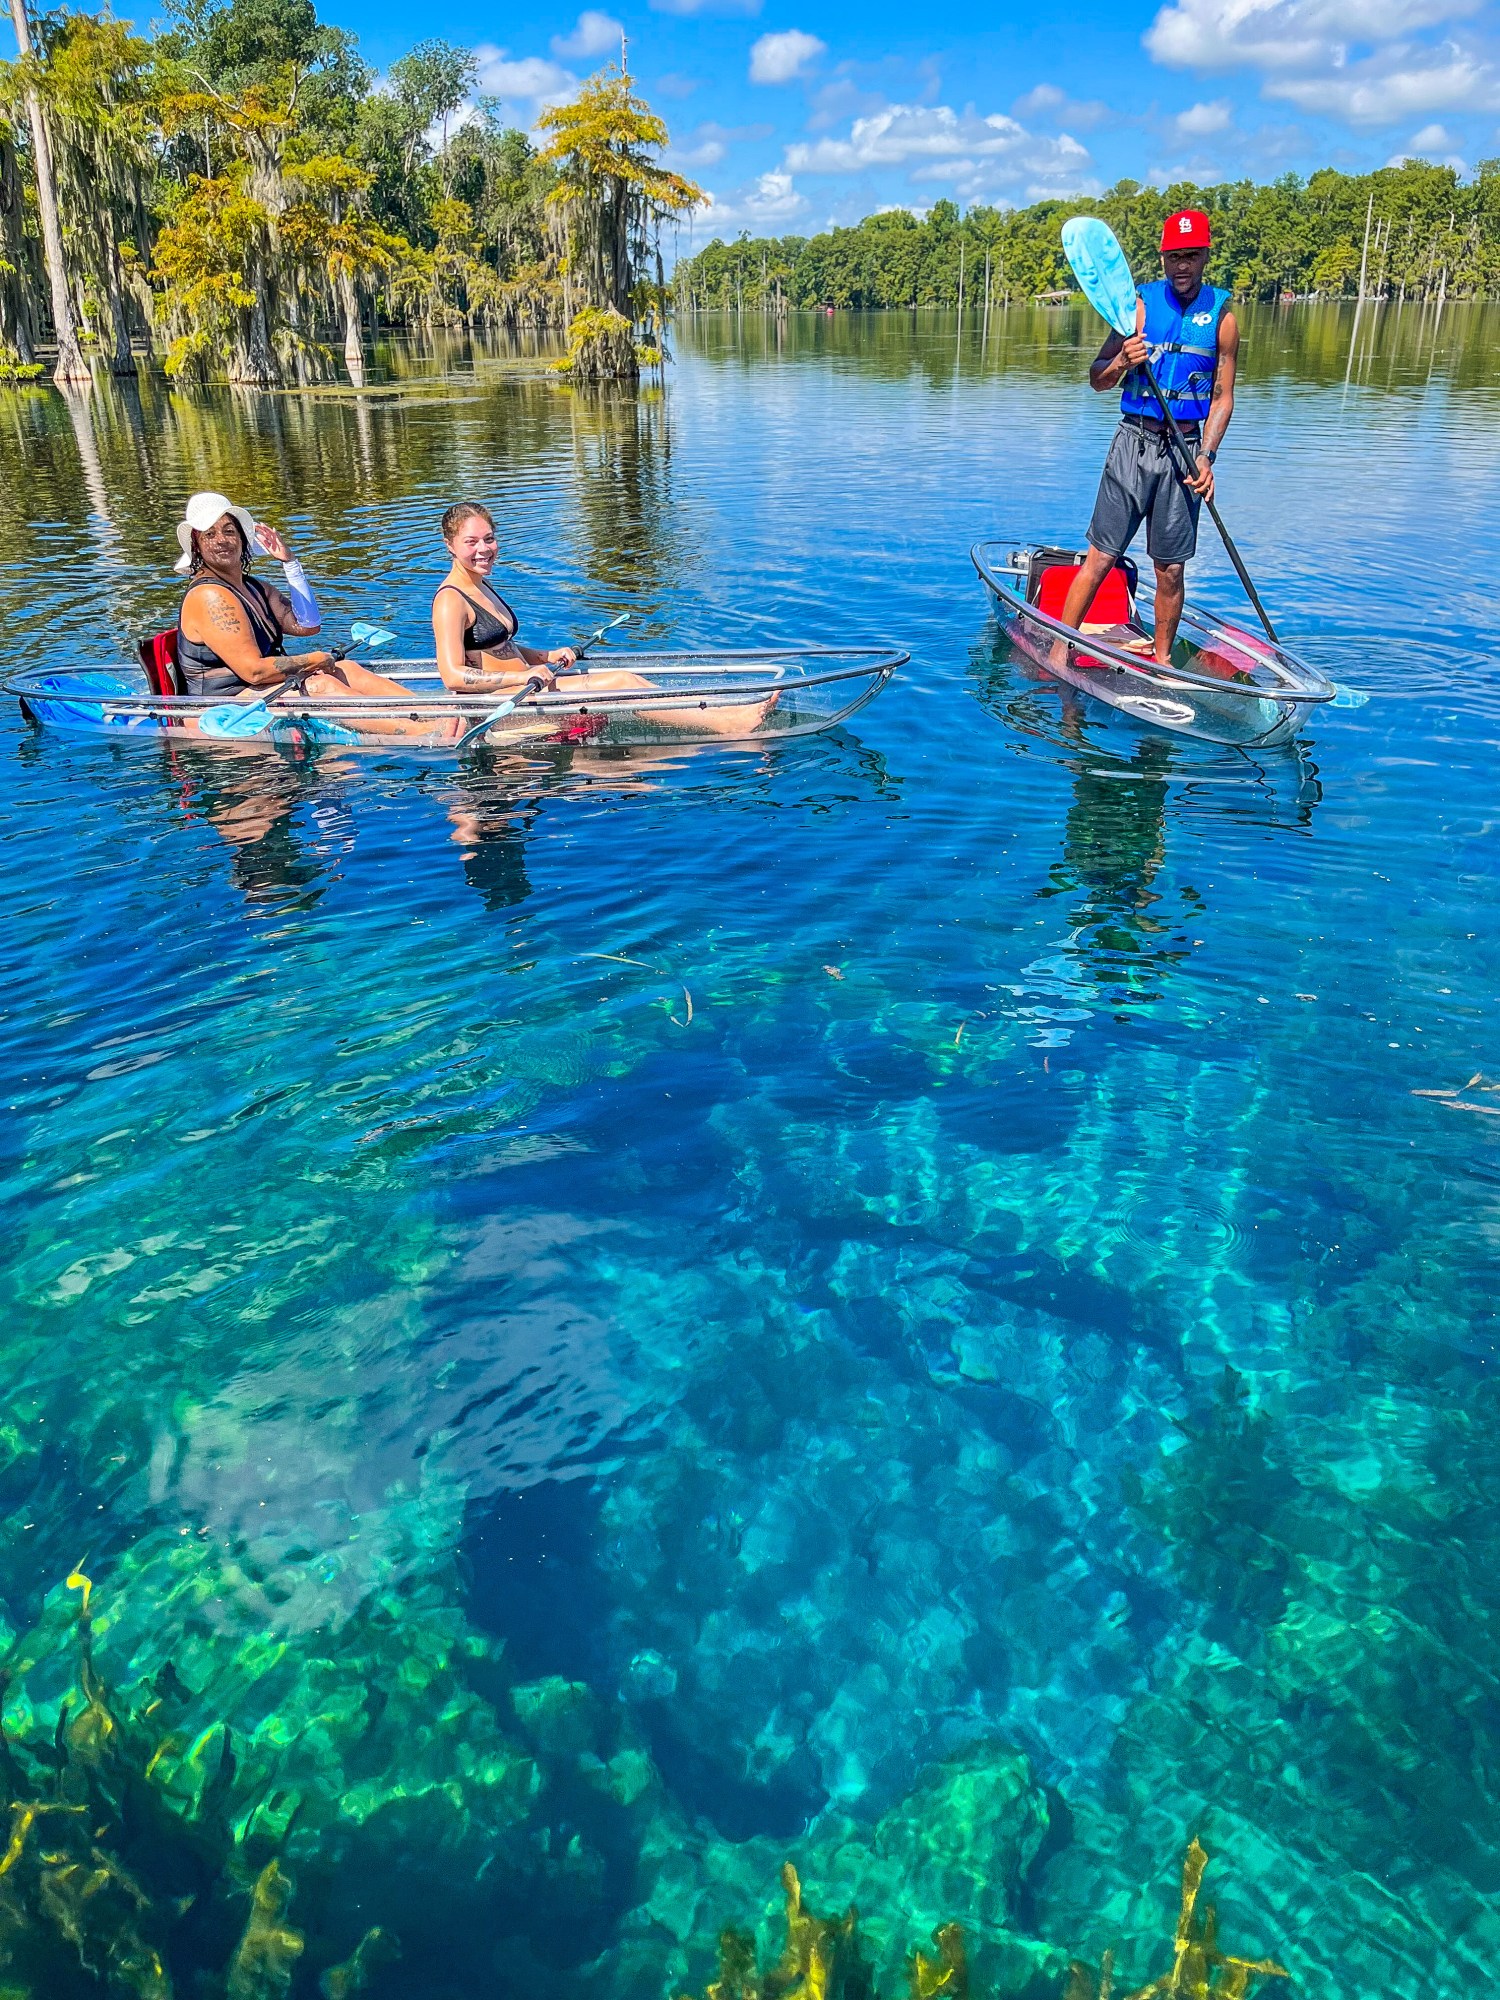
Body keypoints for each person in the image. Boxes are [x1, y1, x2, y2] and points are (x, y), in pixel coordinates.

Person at [1059, 209, 1239, 664]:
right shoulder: (1137, 306)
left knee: (1171, 569)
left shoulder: (1222, 316)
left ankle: (1160, 663)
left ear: (1204, 257)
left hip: (1185, 450)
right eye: (1174, 256)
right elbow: (1097, 379)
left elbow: (1222, 398)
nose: (1183, 265)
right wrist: (1122, 361)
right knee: (1101, 556)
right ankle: (1059, 650)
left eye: (1191, 255)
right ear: (1163, 258)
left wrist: (1207, 459)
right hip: (1133, 443)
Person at [431, 502, 776, 737]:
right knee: (620, 682)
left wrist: (546, 657)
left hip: (529, 683)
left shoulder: (481, 584)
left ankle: (725, 718)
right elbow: (452, 674)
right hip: (510, 703)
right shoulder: (451, 600)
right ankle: (728, 725)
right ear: (450, 545)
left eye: (489, 539)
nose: (484, 549)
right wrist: (519, 678)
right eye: (471, 542)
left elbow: (501, 645)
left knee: (627, 678)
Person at [173, 491, 425, 729]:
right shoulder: (210, 596)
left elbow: (307, 626)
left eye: (229, 531)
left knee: (346, 669)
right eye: (209, 534)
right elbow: (255, 671)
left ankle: (433, 711)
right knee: (321, 685)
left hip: (258, 690)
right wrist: (313, 660)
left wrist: (290, 564)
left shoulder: (253, 587)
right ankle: (424, 733)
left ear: (241, 539)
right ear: (196, 546)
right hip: (222, 707)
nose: (221, 540)